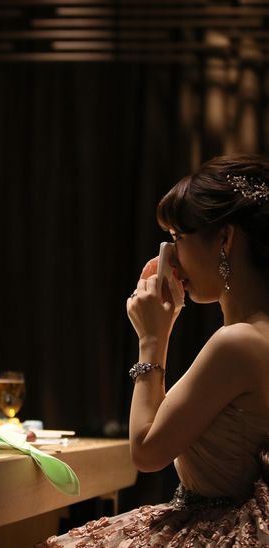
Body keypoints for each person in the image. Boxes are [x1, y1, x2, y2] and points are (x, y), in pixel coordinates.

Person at [37, 154, 269, 546]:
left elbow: (146, 452)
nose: (171, 255)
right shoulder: (256, 335)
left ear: (225, 240)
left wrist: (152, 339)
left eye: (178, 237)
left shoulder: (237, 343)